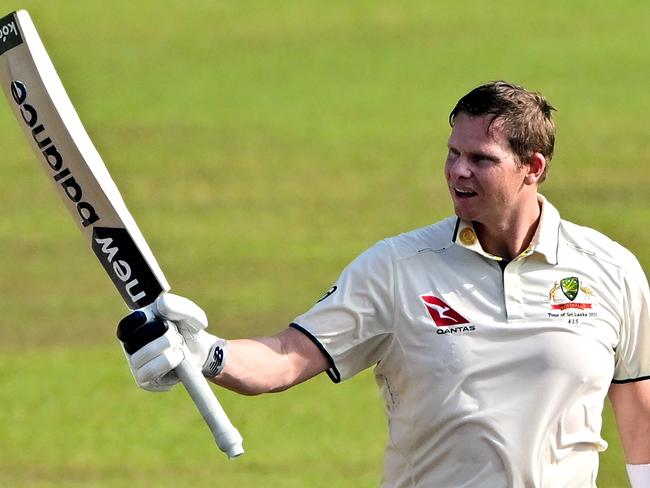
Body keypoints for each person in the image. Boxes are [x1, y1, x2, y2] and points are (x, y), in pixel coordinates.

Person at [116, 81, 650, 487]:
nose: (457, 171)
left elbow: (638, 408)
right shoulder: (397, 268)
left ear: (533, 168)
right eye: (452, 152)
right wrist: (207, 354)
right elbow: (285, 357)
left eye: (481, 159)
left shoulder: (611, 269)